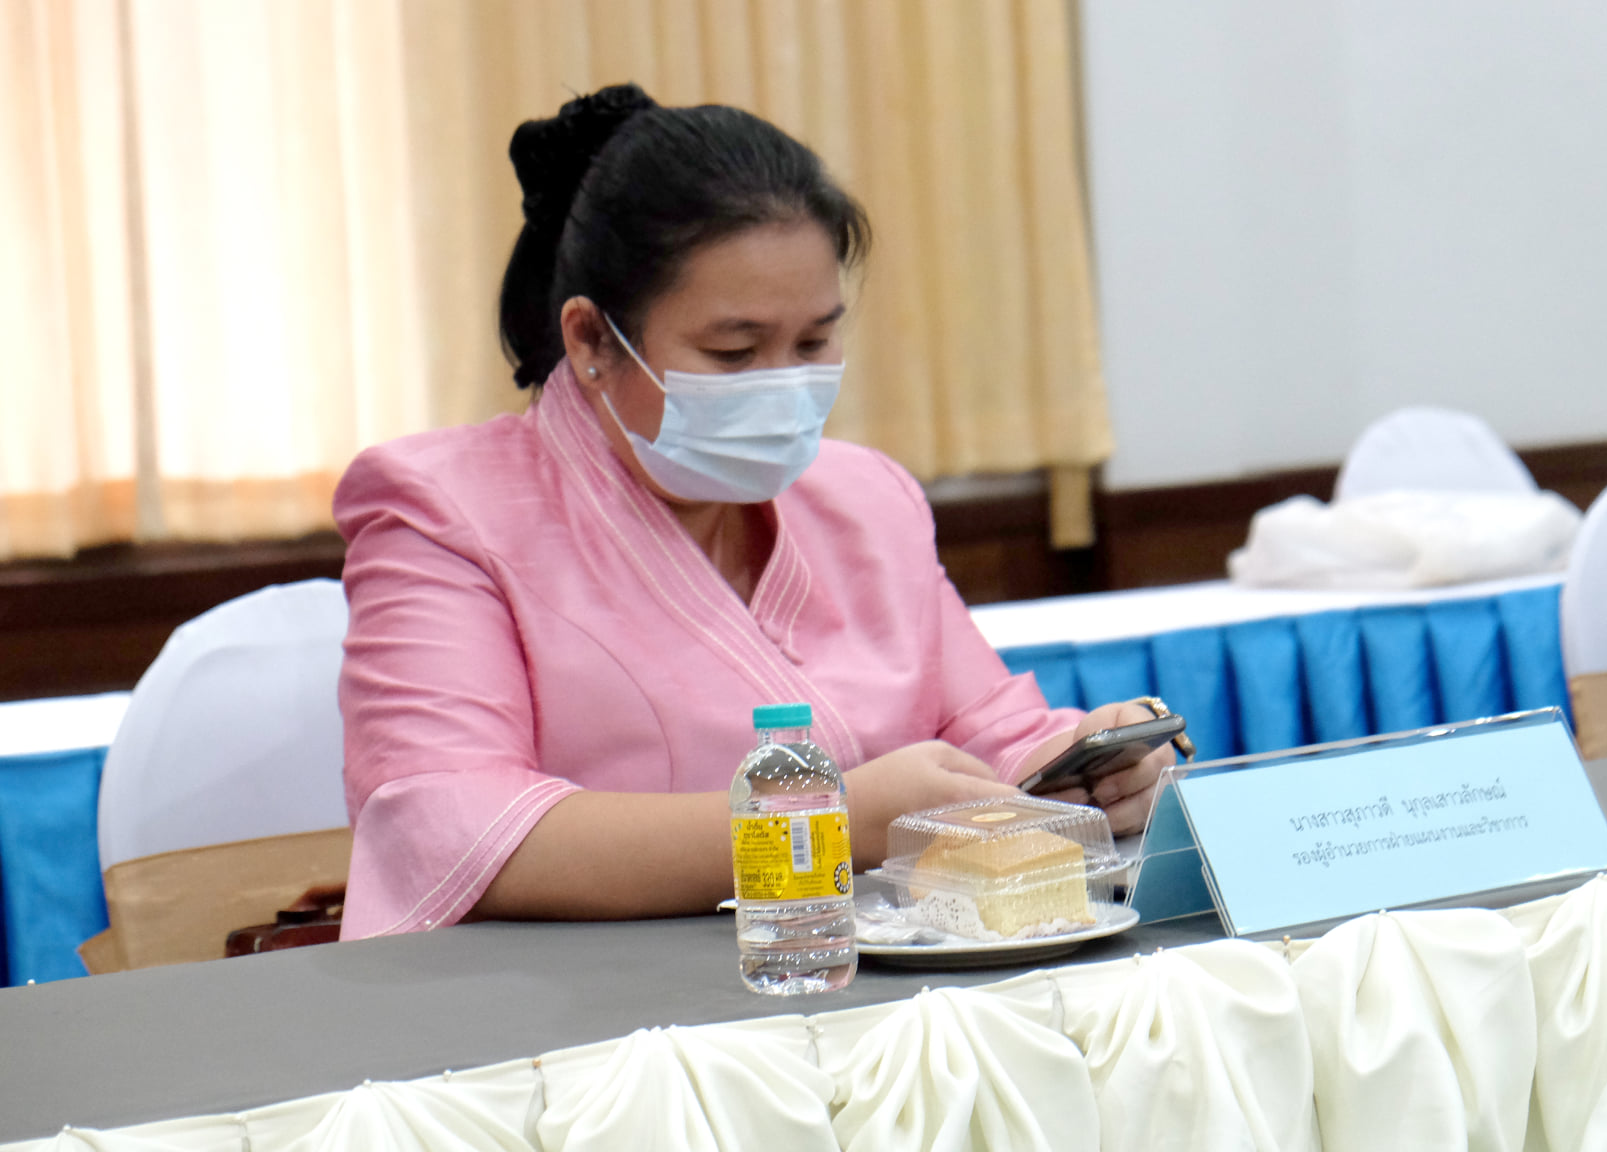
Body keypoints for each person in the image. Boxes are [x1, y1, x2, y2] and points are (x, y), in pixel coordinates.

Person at [333, 84, 1174, 939]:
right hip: (589, 1021)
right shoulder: (440, 510)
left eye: (813, 344)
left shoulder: (865, 499)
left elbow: (994, 733)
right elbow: (449, 825)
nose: (782, 384)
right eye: (734, 352)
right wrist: (824, 827)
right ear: (590, 340)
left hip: (873, 981)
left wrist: (1082, 770)